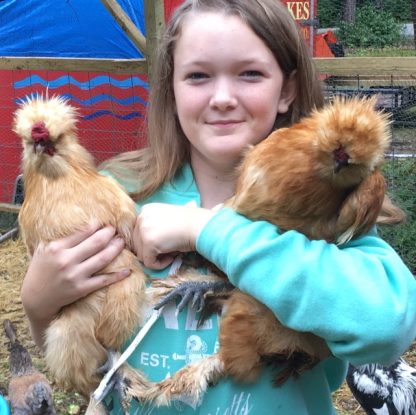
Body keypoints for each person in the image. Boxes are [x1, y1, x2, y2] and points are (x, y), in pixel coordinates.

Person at [21, 0, 416, 414]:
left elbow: (385, 325)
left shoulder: (330, 202)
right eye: (198, 76)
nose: (223, 97)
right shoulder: (122, 194)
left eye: (249, 74)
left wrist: (206, 230)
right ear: (171, 90)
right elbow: (81, 351)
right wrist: (38, 302)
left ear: (287, 89)